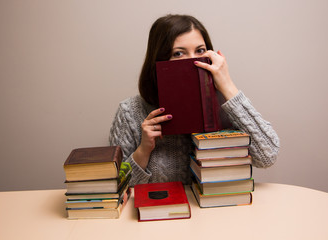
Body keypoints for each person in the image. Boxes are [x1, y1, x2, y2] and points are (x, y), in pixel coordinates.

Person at [109, 14, 280, 187]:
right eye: (178, 53)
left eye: (199, 51)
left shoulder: (227, 106)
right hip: (165, 213)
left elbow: (267, 156)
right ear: (159, 60)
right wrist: (143, 151)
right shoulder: (130, 111)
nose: (192, 61)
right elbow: (116, 189)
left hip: (222, 210)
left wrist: (227, 86)